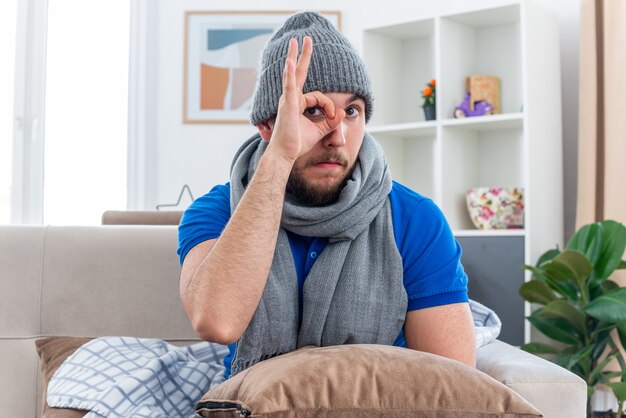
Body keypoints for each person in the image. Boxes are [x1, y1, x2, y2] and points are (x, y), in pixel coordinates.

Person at [178, 11, 476, 379]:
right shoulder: (217, 212)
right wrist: (281, 157)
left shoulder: (415, 219)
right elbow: (217, 322)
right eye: (313, 111)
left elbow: (456, 381)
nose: (337, 136)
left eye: (352, 111)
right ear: (267, 125)